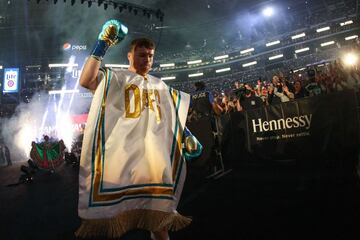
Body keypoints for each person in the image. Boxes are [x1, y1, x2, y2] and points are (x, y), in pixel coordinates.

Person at [76, 19, 202, 240]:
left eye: (151, 55)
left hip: (151, 161)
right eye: (142, 54)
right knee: (114, 219)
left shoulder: (160, 85)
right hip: (121, 158)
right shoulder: (116, 77)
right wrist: (102, 44)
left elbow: (170, 116)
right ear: (130, 56)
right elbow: (87, 81)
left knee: (159, 219)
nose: (147, 59)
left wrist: (186, 134)